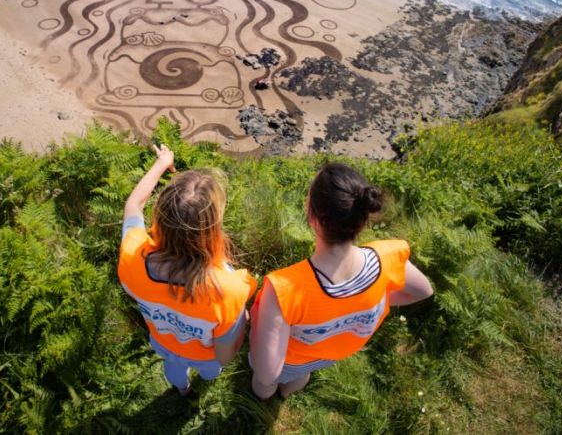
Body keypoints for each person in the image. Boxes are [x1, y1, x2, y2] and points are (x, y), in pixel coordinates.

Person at [249, 162, 433, 399]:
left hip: (292, 359)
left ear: (312, 216)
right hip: (332, 353)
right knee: (300, 377)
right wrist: (373, 300)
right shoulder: (387, 258)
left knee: (265, 384)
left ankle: (263, 401)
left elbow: (267, 373)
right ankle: (287, 394)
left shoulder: (285, 289)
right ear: (362, 218)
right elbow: (423, 290)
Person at [118, 144, 257, 395]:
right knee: (211, 371)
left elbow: (133, 206)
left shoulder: (131, 259)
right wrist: (243, 320)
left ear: (159, 217)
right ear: (213, 229)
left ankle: (182, 389)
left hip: (163, 343)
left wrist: (162, 163)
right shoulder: (229, 290)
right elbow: (225, 356)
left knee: (173, 369)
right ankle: (202, 383)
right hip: (205, 357)